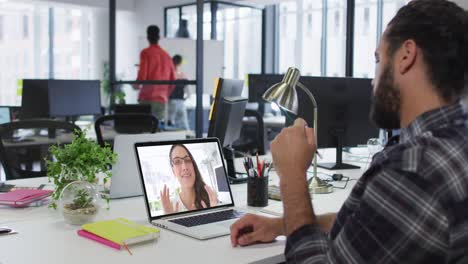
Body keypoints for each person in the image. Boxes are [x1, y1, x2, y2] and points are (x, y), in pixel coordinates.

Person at [230, 0, 468, 262]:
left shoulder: (413, 169)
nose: (372, 79)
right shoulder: (454, 144)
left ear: (405, 55)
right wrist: (281, 225)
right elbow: (373, 227)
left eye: (378, 59)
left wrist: (292, 176)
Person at [160, 144, 218, 214]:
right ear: (173, 171)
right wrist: (168, 220)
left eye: (187, 160)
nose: (184, 167)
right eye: (177, 162)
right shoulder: (171, 206)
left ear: (193, 166)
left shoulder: (211, 197)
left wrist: (215, 214)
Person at [134, 25, 175, 123]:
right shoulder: (166, 55)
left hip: (147, 98)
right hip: (161, 99)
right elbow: (173, 81)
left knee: (144, 129)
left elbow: (142, 76)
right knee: (157, 129)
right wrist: (165, 94)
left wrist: (135, 85)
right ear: (159, 37)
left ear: (147, 37)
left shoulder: (146, 53)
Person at [168, 55, 190, 130]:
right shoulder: (183, 75)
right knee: (183, 125)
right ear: (180, 63)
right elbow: (188, 93)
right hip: (180, 102)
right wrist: (184, 99)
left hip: (171, 101)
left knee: (170, 124)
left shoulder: (169, 74)